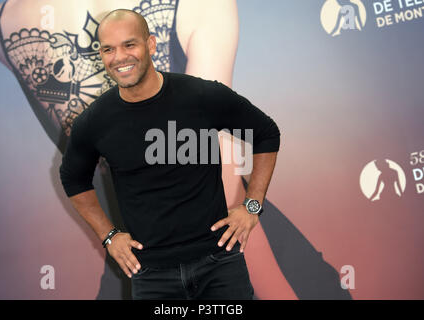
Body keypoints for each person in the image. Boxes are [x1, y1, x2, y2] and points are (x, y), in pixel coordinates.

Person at [59, 9, 280, 300]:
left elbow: (266, 133)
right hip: (151, 276)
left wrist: (252, 205)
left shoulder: (200, 95)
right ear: (101, 54)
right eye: (109, 49)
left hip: (219, 264)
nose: (120, 57)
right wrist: (109, 236)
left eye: (129, 45)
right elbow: (73, 179)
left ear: (150, 45)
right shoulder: (95, 121)